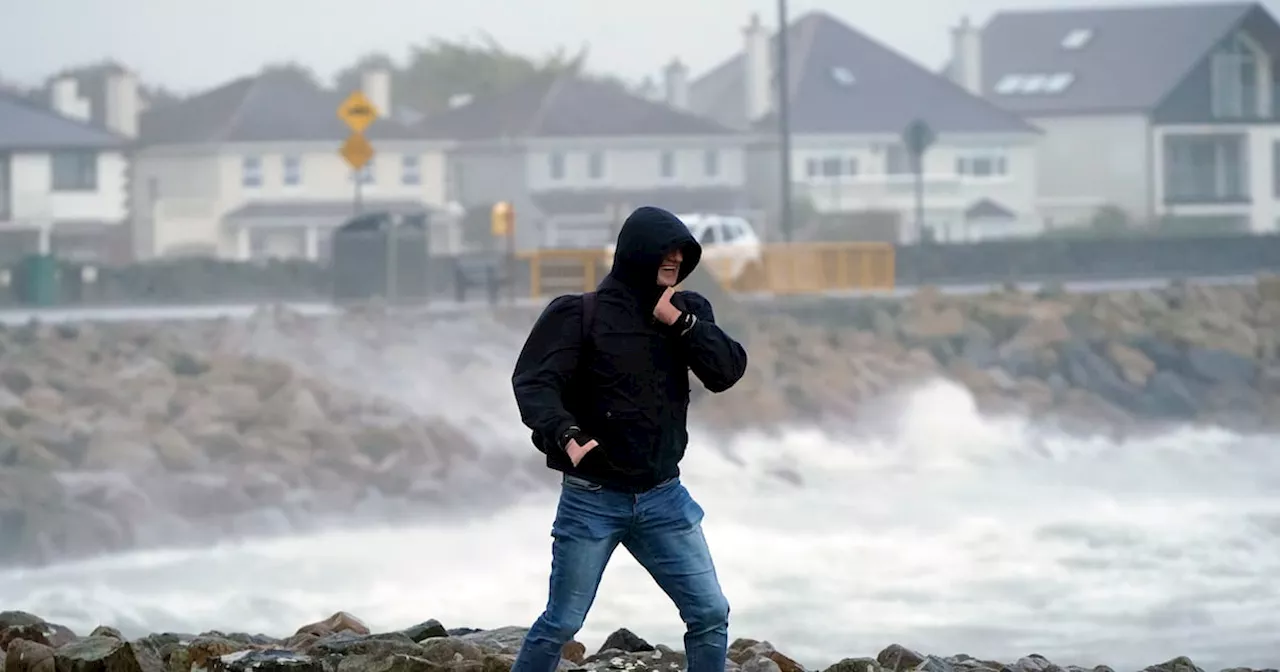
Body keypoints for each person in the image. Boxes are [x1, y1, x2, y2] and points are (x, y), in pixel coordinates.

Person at [510, 206, 749, 672]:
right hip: (592, 500)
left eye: (683, 251)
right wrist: (565, 434)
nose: (676, 258)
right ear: (638, 250)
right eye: (668, 248)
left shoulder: (686, 312)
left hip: (664, 498)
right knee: (562, 622)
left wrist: (682, 324)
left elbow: (726, 371)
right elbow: (534, 383)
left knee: (709, 613)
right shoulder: (579, 314)